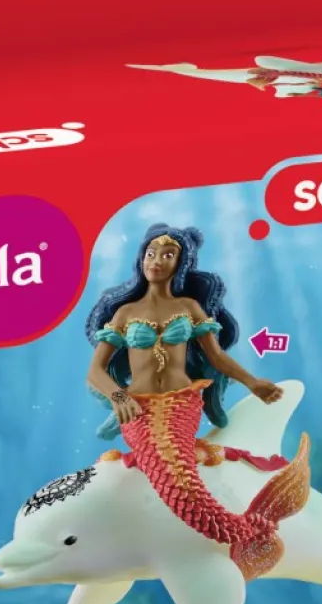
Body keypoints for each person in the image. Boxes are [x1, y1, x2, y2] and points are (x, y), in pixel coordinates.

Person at [83, 224, 309, 580]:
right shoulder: (124, 313)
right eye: (151, 254)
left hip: (182, 403)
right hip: (138, 409)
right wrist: (118, 394)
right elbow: (95, 371)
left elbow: (217, 358)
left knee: (179, 474)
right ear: (141, 259)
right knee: (172, 478)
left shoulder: (189, 307)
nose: (157, 261)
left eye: (167, 255)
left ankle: (245, 532)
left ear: (181, 263)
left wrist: (252, 383)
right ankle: (247, 529)